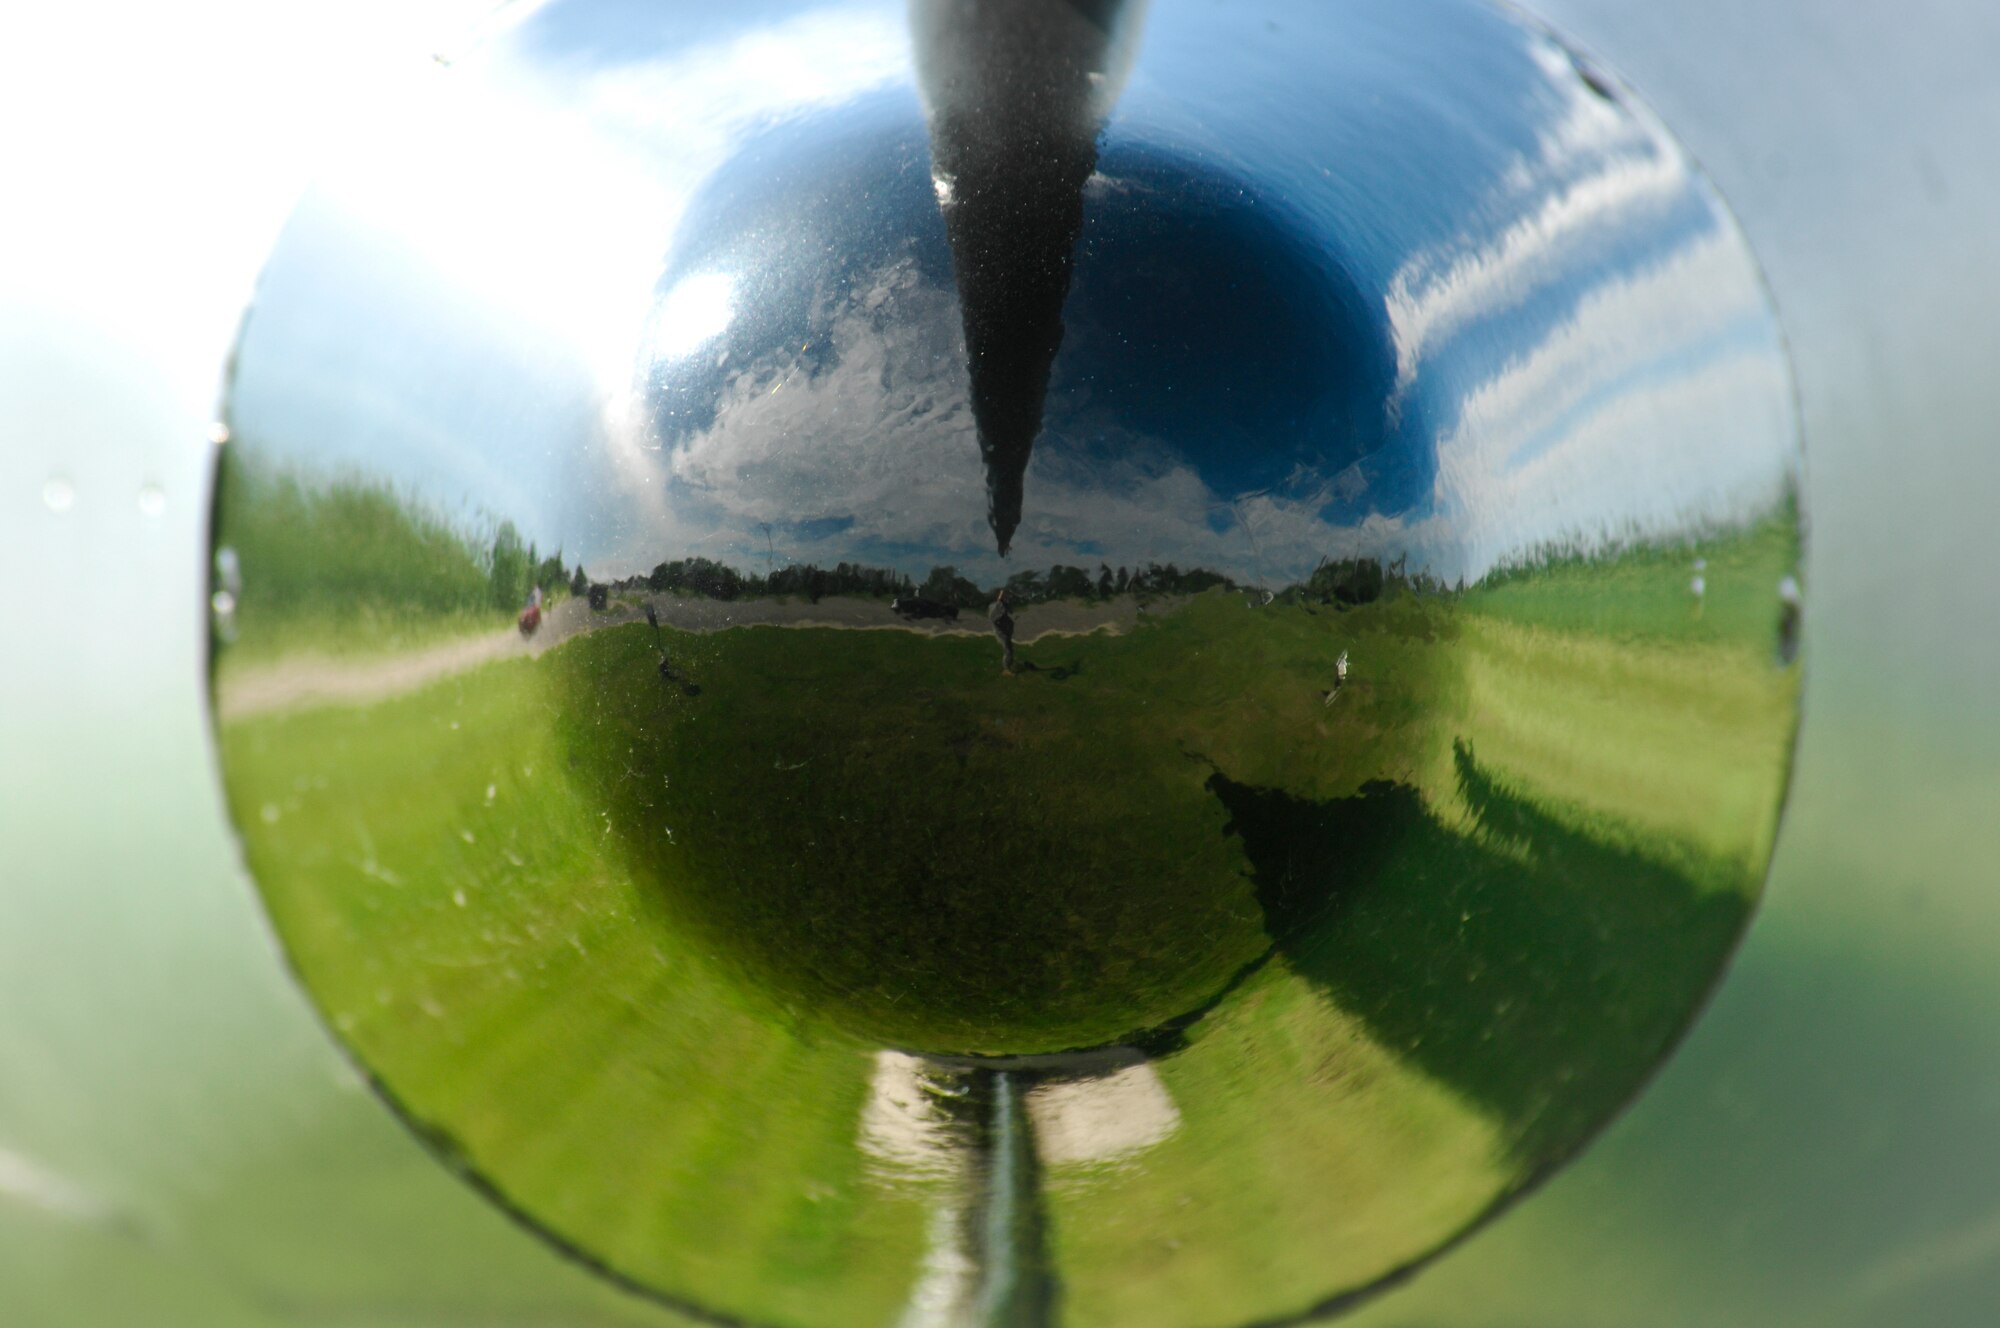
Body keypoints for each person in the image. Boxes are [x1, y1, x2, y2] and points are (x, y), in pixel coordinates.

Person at [988, 588, 1017, 674]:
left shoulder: (1002, 605)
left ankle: (1009, 665)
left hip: (1006, 631)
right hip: (1001, 633)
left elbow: (1010, 611)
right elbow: (994, 618)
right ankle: (1006, 669)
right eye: (1002, 595)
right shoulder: (995, 607)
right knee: (1008, 650)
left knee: (1010, 649)